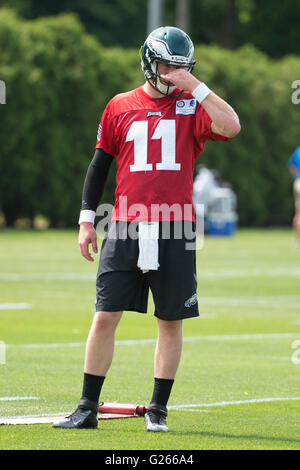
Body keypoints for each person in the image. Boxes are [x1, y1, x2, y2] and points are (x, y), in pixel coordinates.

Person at [53, 26, 240, 432]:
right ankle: (87, 407)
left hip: (176, 226)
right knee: (104, 316)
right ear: (149, 62)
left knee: (170, 321)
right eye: (167, 65)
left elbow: (231, 126)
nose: (173, 73)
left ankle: (158, 409)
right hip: (125, 225)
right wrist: (87, 220)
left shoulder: (193, 104)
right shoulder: (119, 105)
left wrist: (196, 85)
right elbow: (99, 164)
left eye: (182, 67)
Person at [288, 146, 300, 248]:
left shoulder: (298, 150)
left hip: (298, 182)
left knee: (299, 214)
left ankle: (298, 241)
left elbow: (291, 167)